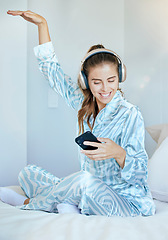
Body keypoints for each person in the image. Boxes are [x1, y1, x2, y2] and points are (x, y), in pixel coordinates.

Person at [0, 10, 156, 217]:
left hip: (126, 202)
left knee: (83, 181)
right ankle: (71, 204)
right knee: (28, 174)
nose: (105, 89)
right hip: (89, 189)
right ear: (85, 82)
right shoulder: (84, 104)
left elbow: (140, 174)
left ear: (120, 76)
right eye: (96, 82)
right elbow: (52, 73)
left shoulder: (130, 114)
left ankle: (30, 202)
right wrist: (42, 25)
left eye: (111, 80)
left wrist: (119, 153)